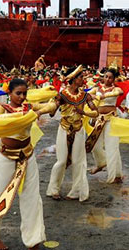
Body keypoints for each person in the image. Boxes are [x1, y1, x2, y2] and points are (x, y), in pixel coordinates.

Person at [0, 78, 56, 250]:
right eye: (18, 93)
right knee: (0, 197)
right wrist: (27, 115)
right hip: (7, 158)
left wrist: (53, 101)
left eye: (25, 93)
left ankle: (33, 239)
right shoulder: (1, 108)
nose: (22, 97)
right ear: (9, 93)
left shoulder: (29, 107)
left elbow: (51, 108)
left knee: (32, 197)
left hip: (27, 155)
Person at [46, 66, 97, 202]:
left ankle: (76, 191)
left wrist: (85, 113)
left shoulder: (85, 95)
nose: (83, 79)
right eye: (81, 77)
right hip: (64, 129)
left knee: (78, 161)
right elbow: (52, 113)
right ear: (73, 79)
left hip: (79, 130)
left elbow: (95, 112)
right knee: (61, 161)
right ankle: (53, 189)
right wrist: (53, 104)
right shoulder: (63, 94)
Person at [86, 67, 124, 183]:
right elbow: (85, 94)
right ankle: (101, 162)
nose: (107, 79)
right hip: (98, 119)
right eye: (106, 76)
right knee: (94, 146)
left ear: (114, 79)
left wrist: (102, 96)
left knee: (112, 147)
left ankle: (115, 175)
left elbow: (119, 93)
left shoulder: (116, 89)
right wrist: (92, 96)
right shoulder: (97, 88)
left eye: (110, 77)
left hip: (111, 119)